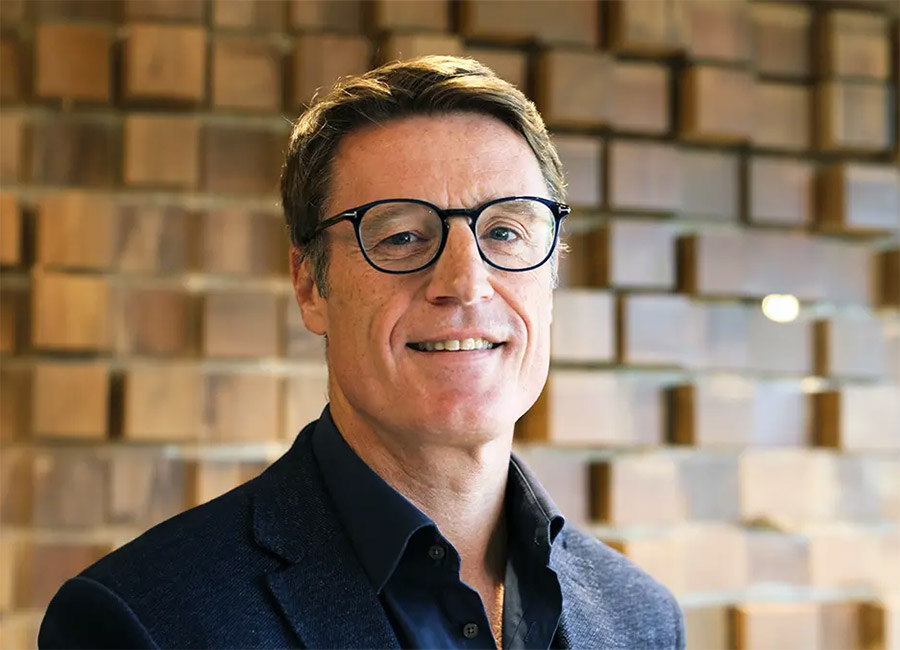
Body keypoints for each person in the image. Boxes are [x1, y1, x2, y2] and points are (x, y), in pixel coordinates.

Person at [39, 55, 684, 649]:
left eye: (506, 231)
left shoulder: (645, 619)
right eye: (401, 236)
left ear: (551, 275)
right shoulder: (141, 621)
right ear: (309, 286)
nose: (466, 282)